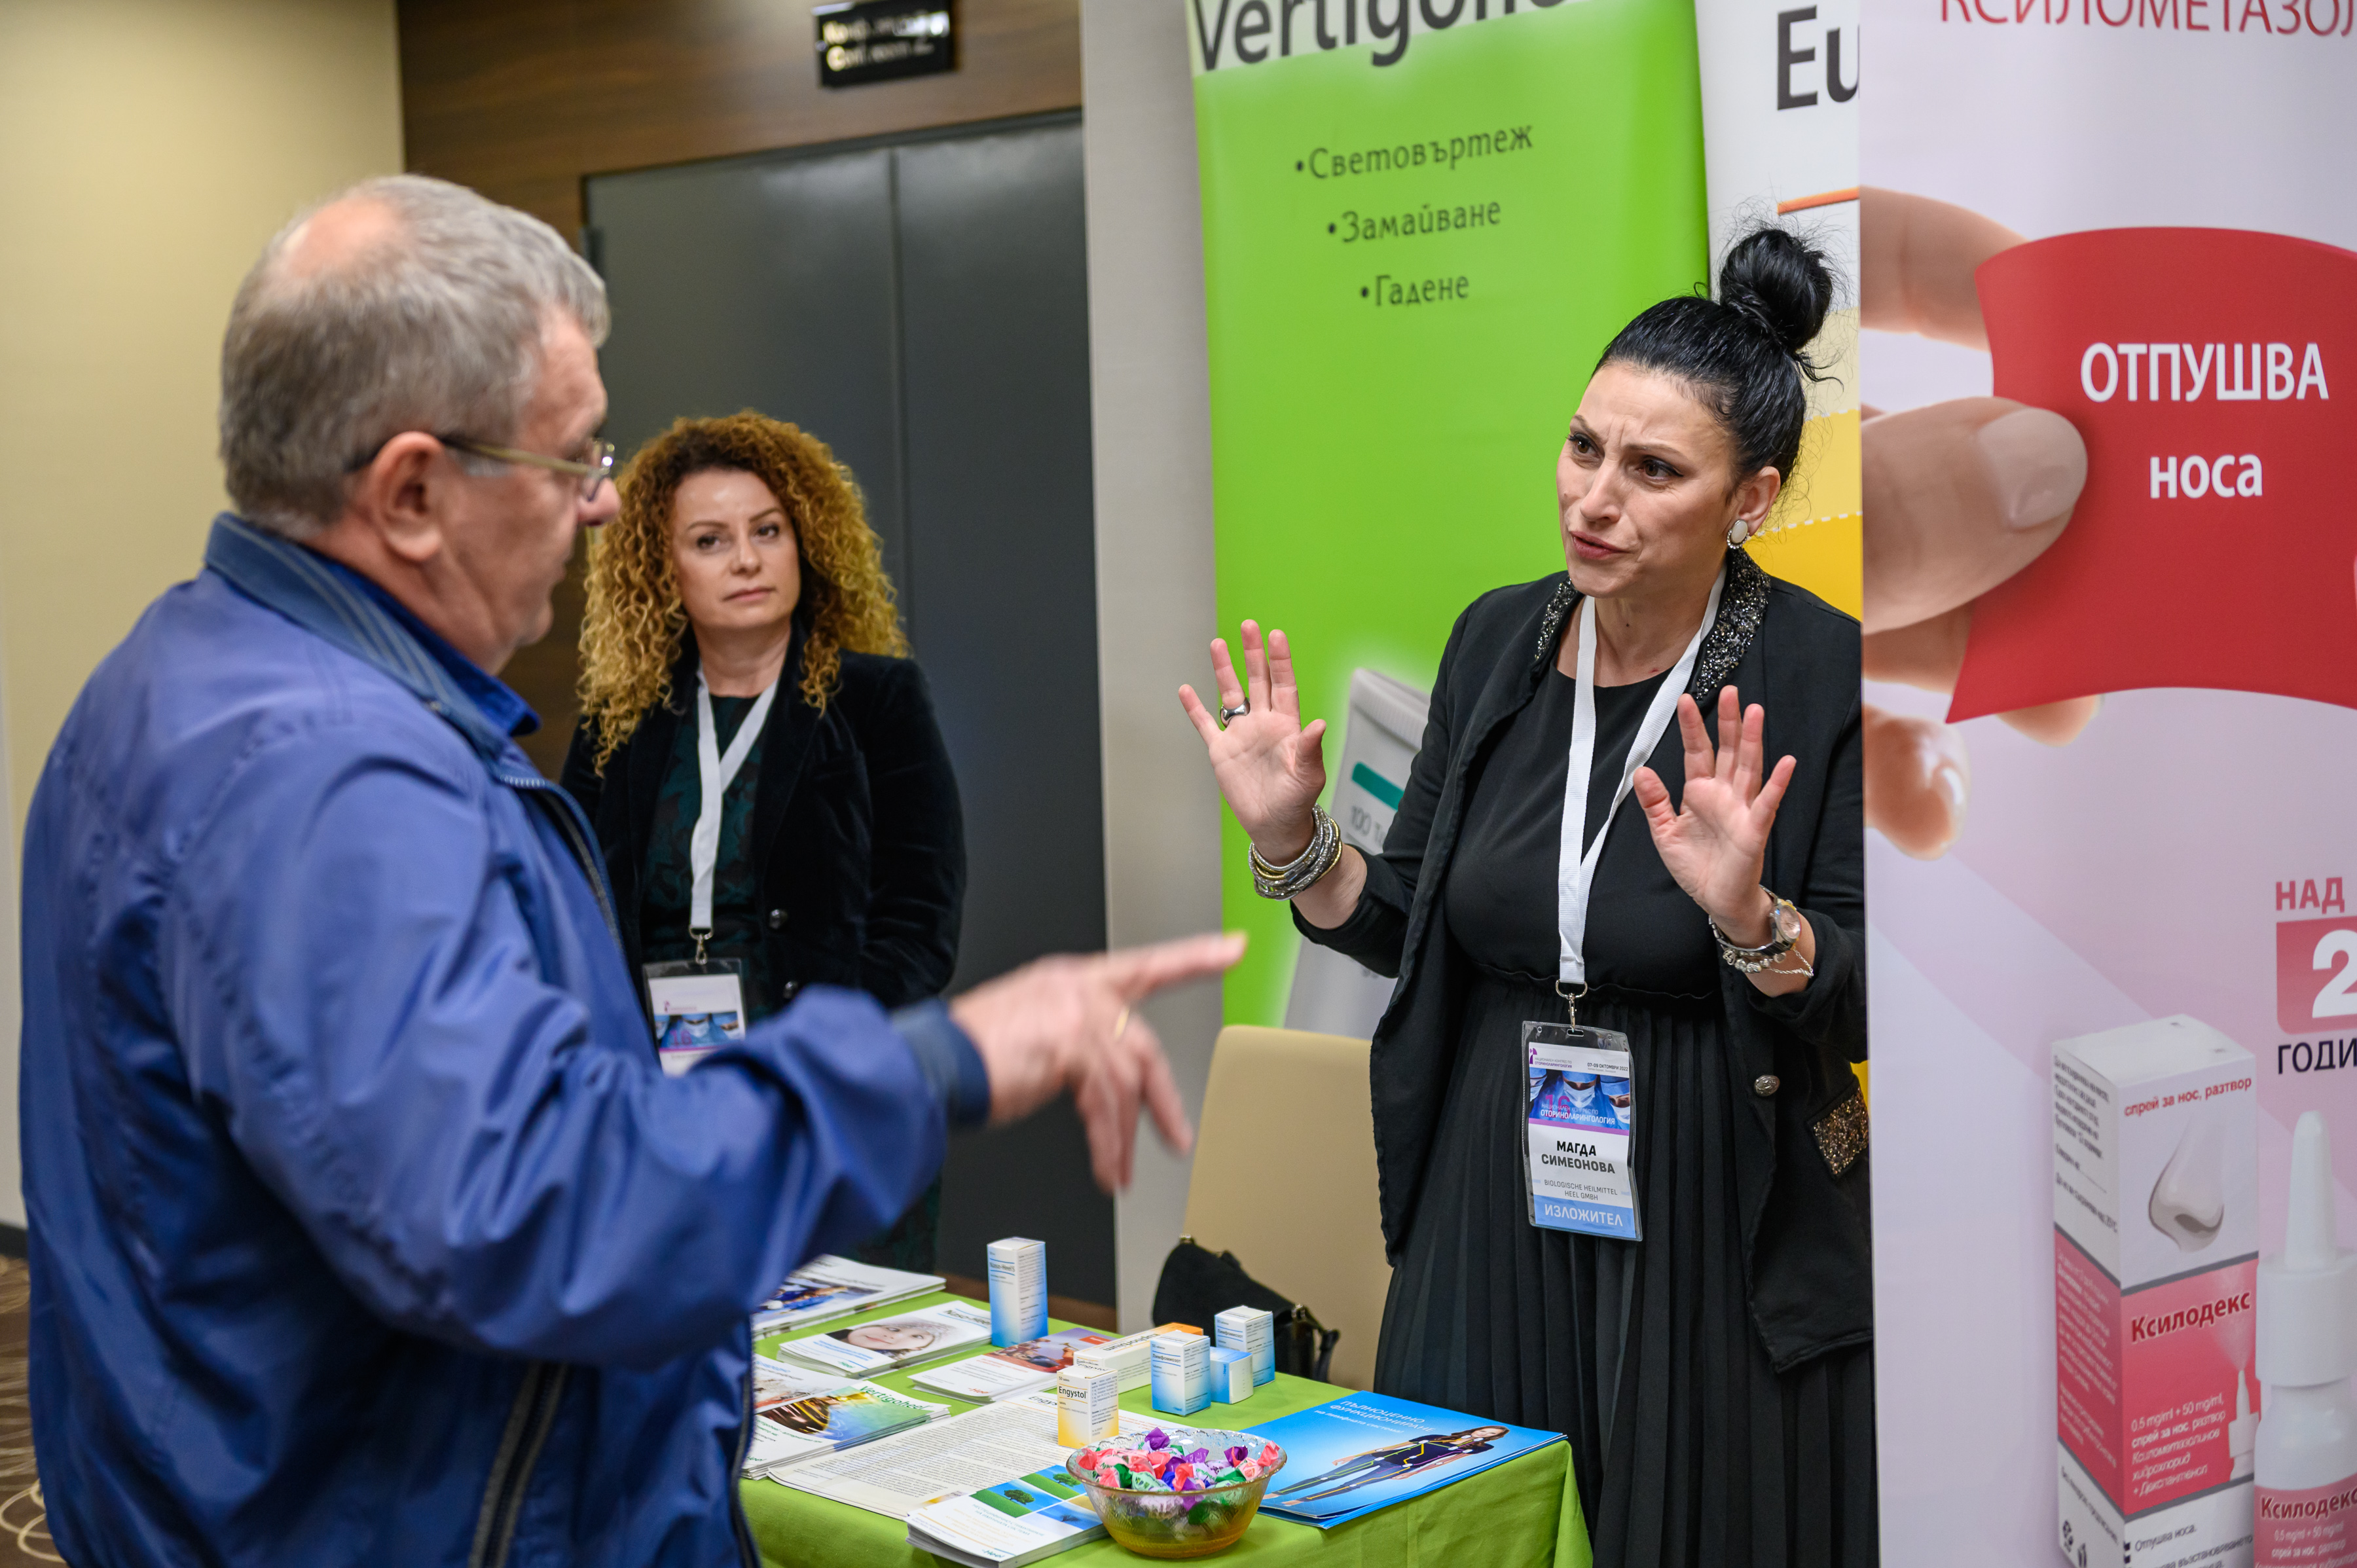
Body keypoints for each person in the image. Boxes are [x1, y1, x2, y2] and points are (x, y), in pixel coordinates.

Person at [18, 173, 1239, 1568]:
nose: (602, 508)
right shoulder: (330, 780)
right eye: (569, 461)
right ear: (412, 492)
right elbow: (542, 1217)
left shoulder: (175, 680)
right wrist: (939, 1061)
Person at [1183, 226, 1872, 1565]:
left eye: (1653, 470)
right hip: (1493, 1173)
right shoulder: (1498, 637)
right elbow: (1404, 924)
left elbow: (1858, 994)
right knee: (1473, 1526)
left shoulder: (1821, 668)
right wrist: (1295, 840)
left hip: (1707, 1184)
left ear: (1751, 498)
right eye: (1583, 448)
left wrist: (1752, 920)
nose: (1594, 499)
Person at [562, 411, 964, 1271]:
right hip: (665, 1106)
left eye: (768, 531)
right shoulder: (618, 724)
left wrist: (806, 1060)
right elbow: (574, 909)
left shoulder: (877, 701)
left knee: (837, 1348)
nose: (746, 559)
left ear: (805, 542)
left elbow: (920, 930)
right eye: (710, 540)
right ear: (662, 569)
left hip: (835, 1101)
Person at [1268, 1425, 1509, 1508]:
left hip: (1402, 1466)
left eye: (1491, 1434)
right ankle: (1278, 1493)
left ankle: (1300, 1502)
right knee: (1327, 1476)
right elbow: (1396, 1444)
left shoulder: (1480, 1448)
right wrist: (1353, 1455)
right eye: (1485, 1430)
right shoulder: (1438, 1436)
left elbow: (1446, 1461)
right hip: (1381, 1456)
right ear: (1478, 1429)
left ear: (1493, 1438)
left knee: (1352, 1485)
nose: (1485, 1434)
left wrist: (1414, 1473)